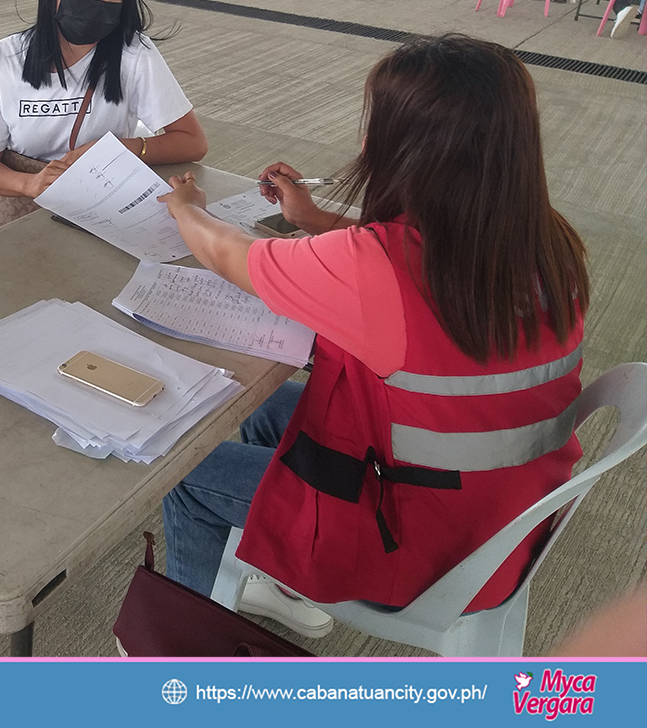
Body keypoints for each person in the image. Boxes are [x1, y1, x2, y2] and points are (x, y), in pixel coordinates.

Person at [158, 34, 588, 637]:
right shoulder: (546, 240)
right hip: (505, 521)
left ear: (411, 151)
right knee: (270, 411)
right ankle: (285, 583)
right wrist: (312, 219)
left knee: (185, 478)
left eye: (377, 128)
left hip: (416, 548)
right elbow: (436, 253)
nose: (365, 143)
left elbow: (231, 254)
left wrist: (186, 209)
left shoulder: (376, 269)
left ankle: (178, 646)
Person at [0, 0, 208, 225]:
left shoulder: (134, 54)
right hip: (17, 210)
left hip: (96, 210)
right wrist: (31, 184)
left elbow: (193, 142)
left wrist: (113, 150)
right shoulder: (5, 58)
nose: (98, 2)